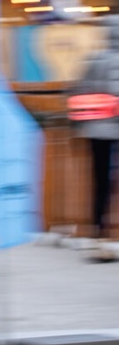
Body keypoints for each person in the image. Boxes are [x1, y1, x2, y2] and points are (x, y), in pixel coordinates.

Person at [69, 16, 119, 262]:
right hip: (113, 131)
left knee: (100, 184)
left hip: (96, 132)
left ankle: (98, 233)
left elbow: (77, 90)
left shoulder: (95, 59)